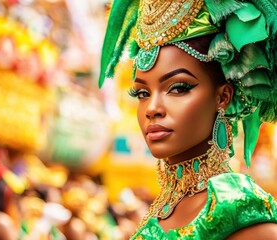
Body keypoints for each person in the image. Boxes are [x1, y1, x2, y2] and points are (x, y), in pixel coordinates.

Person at [99, 0, 277, 239]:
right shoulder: (165, 206)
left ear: (223, 96)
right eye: (142, 93)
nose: (152, 108)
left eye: (178, 88)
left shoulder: (238, 209)